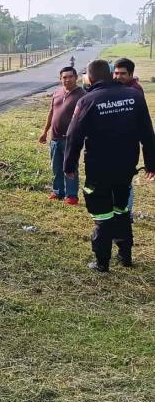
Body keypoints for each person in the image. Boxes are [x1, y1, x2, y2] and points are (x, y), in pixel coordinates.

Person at [64, 59, 155, 272]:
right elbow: (148, 134)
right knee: (122, 210)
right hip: (126, 167)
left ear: (90, 77)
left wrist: (69, 165)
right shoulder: (134, 96)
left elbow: (73, 135)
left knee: (103, 214)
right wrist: (151, 163)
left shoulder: (88, 100)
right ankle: (125, 256)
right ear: (111, 74)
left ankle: (102, 262)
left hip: (99, 168)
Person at [39, 66, 86, 204]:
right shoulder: (57, 92)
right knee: (56, 166)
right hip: (55, 137)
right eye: (64, 77)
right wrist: (44, 131)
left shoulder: (82, 95)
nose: (67, 80)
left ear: (76, 77)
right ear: (60, 79)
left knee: (70, 166)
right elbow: (51, 112)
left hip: (70, 139)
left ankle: (71, 195)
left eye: (70, 76)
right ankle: (58, 191)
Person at [113, 57, 145, 218]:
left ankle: (126, 214)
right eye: (116, 73)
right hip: (114, 143)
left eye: (123, 74)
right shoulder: (117, 87)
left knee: (125, 181)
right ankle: (118, 211)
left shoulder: (135, 91)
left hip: (128, 144)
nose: (118, 77)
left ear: (131, 74)